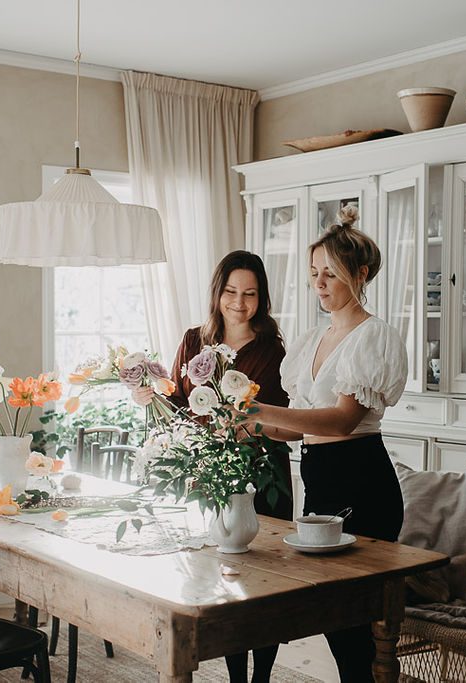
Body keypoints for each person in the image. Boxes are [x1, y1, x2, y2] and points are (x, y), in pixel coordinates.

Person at [251, 209, 408, 682]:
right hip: (319, 482)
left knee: (352, 629)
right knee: (334, 623)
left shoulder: (373, 337)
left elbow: (341, 422)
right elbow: (301, 429)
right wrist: (243, 426)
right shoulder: (313, 339)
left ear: (360, 275)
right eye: (314, 274)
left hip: (363, 485)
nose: (319, 284)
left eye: (330, 274)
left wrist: (260, 412)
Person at [132, 250, 292, 683]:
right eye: (231, 292)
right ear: (217, 293)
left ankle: (262, 676)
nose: (239, 303)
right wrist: (151, 398)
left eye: (250, 294)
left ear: (262, 298)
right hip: (214, 471)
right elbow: (181, 405)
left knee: (267, 581)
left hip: (262, 470)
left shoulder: (272, 349)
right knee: (226, 575)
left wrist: (243, 430)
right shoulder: (192, 341)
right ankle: (238, 676)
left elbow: (279, 414)